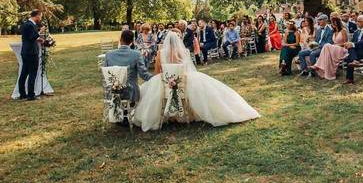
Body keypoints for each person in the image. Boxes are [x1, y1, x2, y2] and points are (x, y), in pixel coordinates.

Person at [132, 32, 260, 131]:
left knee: (151, 91)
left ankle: (167, 116)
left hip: (165, 82)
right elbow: (187, 68)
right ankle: (189, 113)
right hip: (182, 81)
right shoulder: (183, 52)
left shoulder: (160, 53)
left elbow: (157, 71)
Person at [104, 29, 153, 114]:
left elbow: (106, 74)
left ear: (120, 39)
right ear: (132, 41)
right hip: (130, 93)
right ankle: (127, 112)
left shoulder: (109, 54)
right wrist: (156, 76)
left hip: (112, 91)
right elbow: (144, 75)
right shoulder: (136, 54)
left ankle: (118, 111)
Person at [17, 9, 43, 101]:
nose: (40, 18)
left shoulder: (26, 24)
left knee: (24, 73)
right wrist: (40, 32)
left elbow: (29, 38)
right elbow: (32, 37)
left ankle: (22, 94)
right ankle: (31, 95)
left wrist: (38, 39)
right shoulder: (29, 25)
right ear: (36, 15)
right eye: (40, 16)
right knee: (32, 73)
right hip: (31, 52)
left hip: (25, 52)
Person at [312, 15, 349, 80]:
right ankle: (323, 71)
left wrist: (337, 45)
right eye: (332, 23)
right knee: (327, 47)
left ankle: (318, 65)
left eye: (334, 22)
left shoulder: (343, 30)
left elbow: (346, 43)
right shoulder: (334, 32)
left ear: (338, 23)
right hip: (334, 49)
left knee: (326, 45)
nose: (333, 24)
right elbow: (333, 43)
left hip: (342, 49)